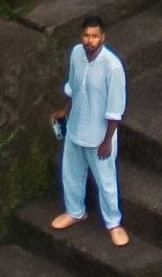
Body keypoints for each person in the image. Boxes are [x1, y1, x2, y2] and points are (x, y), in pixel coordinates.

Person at [51, 14, 128, 246]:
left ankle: (113, 223)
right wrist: (66, 111)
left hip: (100, 136)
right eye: (86, 35)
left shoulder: (112, 67)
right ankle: (75, 211)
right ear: (80, 36)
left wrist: (107, 141)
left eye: (95, 36)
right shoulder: (76, 54)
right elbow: (73, 86)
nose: (90, 40)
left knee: (105, 181)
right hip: (76, 128)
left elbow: (115, 110)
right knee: (71, 173)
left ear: (102, 37)